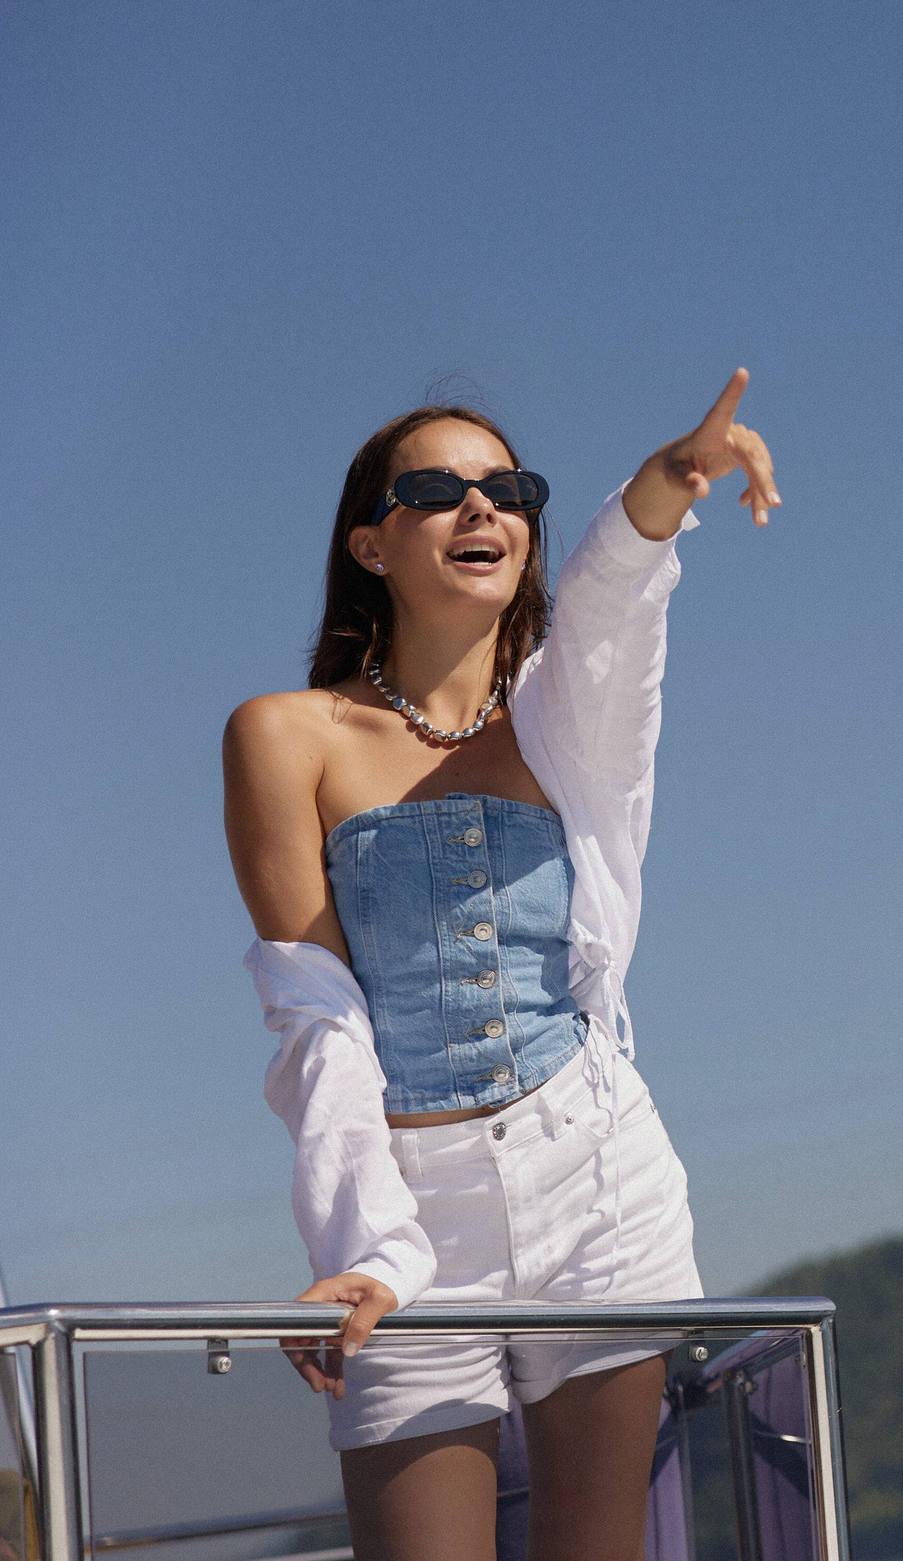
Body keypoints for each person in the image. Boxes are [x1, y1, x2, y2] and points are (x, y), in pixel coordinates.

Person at [224, 371, 780, 1559]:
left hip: (600, 1187)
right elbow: (316, 1016)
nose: (482, 510)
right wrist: (362, 1251)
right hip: (416, 1212)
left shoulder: (562, 721)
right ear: (371, 542)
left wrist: (672, 484)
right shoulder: (284, 735)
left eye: (508, 490)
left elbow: (614, 614)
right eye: (437, 490)